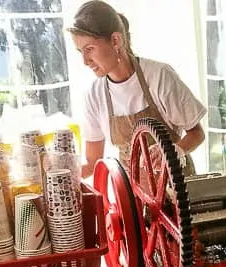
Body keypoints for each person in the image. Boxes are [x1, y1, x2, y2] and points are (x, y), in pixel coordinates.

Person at [68, 0, 206, 178]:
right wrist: (63, 174)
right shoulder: (95, 95)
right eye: (81, 51)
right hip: (132, 196)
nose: (85, 61)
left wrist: (176, 150)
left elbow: (197, 133)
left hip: (178, 186)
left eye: (90, 49)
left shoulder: (159, 76)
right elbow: (94, 163)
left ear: (115, 40)